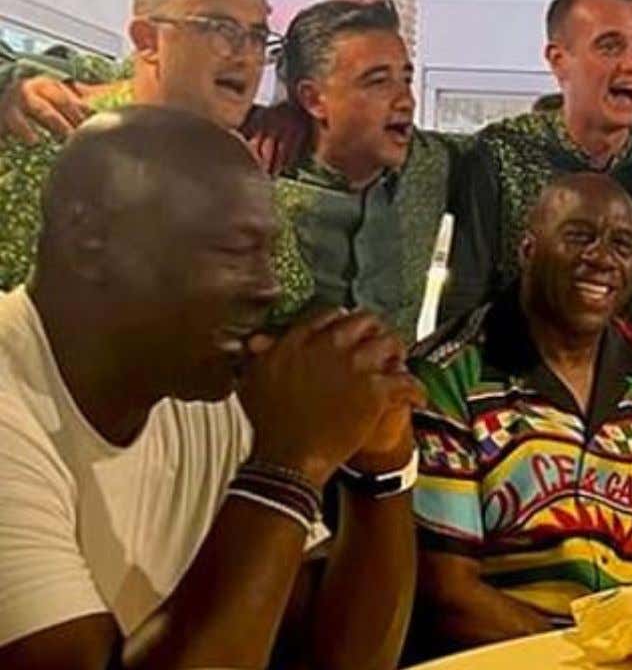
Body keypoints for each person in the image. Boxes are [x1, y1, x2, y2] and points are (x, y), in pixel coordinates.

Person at [0, 106, 420, 669]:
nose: (270, 288)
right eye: (235, 251)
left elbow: (327, 654)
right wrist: (286, 466)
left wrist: (382, 471)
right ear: (89, 240)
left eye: (268, 253)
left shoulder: (196, 383)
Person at [412, 172, 632, 649]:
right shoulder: (449, 377)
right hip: (512, 653)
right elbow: (447, 592)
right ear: (528, 250)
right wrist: (589, 656)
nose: (602, 258)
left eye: (621, 244)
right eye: (579, 237)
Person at [440, 0, 632, 355]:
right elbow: (466, 292)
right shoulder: (501, 151)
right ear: (558, 60)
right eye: (610, 47)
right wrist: (451, 380)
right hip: (508, 369)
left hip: (620, 374)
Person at [0, 0, 278, 292]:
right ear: (148, 41)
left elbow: (284, 303)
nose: (247, 56)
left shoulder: (242, 172)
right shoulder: (44, 135)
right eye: (221, 29)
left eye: (257, 36)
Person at [270, 0, 464, 341]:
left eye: (406, 79)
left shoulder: (431, 164)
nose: (406, 100)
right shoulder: (257, 187)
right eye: (378, 81)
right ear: (313, 99)